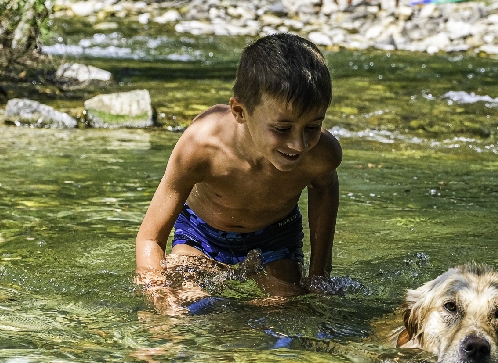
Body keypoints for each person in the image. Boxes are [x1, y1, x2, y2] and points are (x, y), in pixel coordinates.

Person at [135, 33, 343, 315]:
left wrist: (320, 274)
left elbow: (324, 188)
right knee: (185, 307)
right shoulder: (202, 146)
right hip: (202, 235)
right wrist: (157, 291)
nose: (299, 144)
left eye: (312, 127)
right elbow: (149, 238)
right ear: (239, 111)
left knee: (290, 308)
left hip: (276, 236)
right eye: (282, 129)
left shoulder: (322, 154)